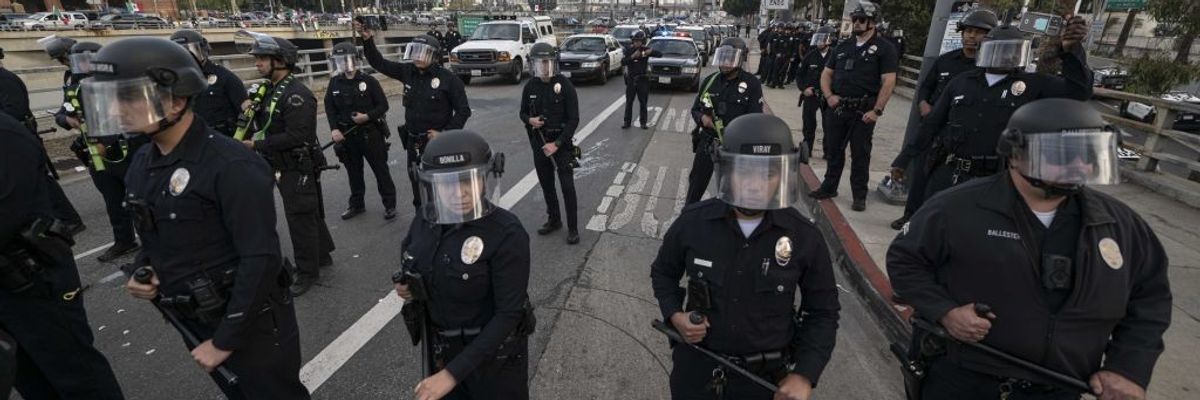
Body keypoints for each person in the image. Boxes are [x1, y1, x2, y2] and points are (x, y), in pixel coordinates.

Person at [887, 98, 1171, 400]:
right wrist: (945, 312)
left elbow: (1150, 300)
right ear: (1015, 153)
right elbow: (905, 262)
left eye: (1088, 154)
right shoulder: (955, 208)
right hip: (967, 381)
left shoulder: (1120, 225)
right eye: (1063, 154)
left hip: (1061, 387)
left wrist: (1127, 368)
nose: (1079, 165)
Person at [101, 37, 311, 399]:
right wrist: (144, 268)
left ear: (176, 99)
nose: (119, 110)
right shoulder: (143, 162)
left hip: (249, 323)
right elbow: (155, 231)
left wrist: (225, 340)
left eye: (129, 97)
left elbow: (261, 259)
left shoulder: (232, 165)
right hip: (196, 316)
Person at [651, 114, 840, 400]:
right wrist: (675, 315)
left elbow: (823, 311)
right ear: (727, 170)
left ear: (783, 174)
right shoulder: (693, 222)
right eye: (744, 171)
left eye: (767, 173)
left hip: (764, 381)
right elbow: (663, 272)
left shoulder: (803, 236)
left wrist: (804, 374)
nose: (754, 184)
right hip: (698, 370)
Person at [890, 15, 1093, 221]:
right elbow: (931, 125)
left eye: (1009, 50)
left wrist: (1071, 50)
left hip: (996, 180)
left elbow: (1079, 92)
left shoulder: (1033, 85)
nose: (1002, 56)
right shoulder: (961, 82)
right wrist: (904, 159)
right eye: (996, 49)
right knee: (932, 229)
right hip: (948, 173)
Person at [393, 129, 536, 400]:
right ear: (431, 185)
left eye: (469, 181)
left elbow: (508, 314)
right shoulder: (424, 221)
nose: (460, 193)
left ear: (484, 179)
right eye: (447, 184)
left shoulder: (506, 232)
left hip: (496, 362)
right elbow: (412, 259)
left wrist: (451, 376)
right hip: (442, 352)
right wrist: (408, 287)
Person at [1, 106, 123, 400]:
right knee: (29, 378)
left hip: (35, 278)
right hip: (7, 284)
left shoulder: (5, 135)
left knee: (76, 375)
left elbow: (6, 215)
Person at [237, 30, 335, 296]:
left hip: (296, 164)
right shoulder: (269, 90)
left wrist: (255, 145)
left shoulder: (296, 94)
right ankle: (322, 254)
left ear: (279, 61)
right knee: (308, 211)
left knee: (299, 216)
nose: (257, 63)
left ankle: (307, 273)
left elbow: (298, 135)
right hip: (280, 163)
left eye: (261, 59)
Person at [887, 9, 997, 230]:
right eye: (968, 31)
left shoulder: (988, 68)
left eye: (977, 32)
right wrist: (924, 104)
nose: (971, 36)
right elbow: (926, 86)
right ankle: (910, 217)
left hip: (959, 138)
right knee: (920, 178)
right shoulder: (946, 61)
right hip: (932, 130)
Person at [357, 22, 471, 212]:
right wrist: (368, 41)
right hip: (414, 141)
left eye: (423, 52)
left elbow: (463, 111)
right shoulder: (408, 72)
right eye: (415, 51)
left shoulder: (449, 79)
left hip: (438, 142)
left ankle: (445, 217)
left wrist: (444, 133)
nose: (418, 56)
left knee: (440, 183)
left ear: (434, 55)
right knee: (415, 178)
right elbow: (379, 63)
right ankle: (421, 215)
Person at [809, 1, 898, 212]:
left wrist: (877, 110)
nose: (856, 23)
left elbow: (889, 81)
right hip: (838, 107)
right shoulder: (843, 46)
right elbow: (826, 74)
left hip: (863, 111)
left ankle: (859, 195)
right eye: (854, 19)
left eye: (861, 20)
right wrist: (829, 96)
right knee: (833, 150)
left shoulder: (885, 49)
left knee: (860, 154)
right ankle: (829, 186)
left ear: (872, 22)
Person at [62, 41, 146, 263]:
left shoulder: (117, 82)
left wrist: (106, 142)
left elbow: (128, 116)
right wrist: (67, 120)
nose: (83, 65)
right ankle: (124, 240)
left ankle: (154, 241)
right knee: (113, 200)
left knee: (139, 198)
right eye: (78, 61)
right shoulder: (75, 85)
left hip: (124, 151)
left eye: (87, 59)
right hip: (96, 154)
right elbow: (62, 113)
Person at [686, 38, 764, 205]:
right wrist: (703, 118)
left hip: (734, 147)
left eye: (730, 58)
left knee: (732, 192)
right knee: (695, 185)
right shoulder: (710, 81)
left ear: (740, 58)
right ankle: (687, 218)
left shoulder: (752, 84)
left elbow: (755, 119)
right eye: (723, 57)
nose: (725, 62)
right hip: (708, 143)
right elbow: (695, 109)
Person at [324, 41, 397, 221]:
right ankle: (357, 204)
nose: (343, 64)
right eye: (339, 60)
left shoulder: (368, 81)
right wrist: (334, 129)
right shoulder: (334, 82)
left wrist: (367, 116)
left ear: (355, 60)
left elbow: (383, 105)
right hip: (347, 136)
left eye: (346, 60)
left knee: (381, 171)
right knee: (354, 173)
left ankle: (389, 205)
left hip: (370, 134)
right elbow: (330, 108)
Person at [520, 43, 581, 245]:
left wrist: (558, 143)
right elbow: (522, 112)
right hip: (539, 143)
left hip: (560, 144)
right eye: (539, 63)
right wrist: (530, 120)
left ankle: (573, 228)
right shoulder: (530, 86)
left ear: (553, 63)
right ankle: (554, 220)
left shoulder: (565, 85)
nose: (544, 67)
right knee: (547, 186)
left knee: (567, 187)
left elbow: (574, 119)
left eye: (547, 62)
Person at [36, 35, 85, 236]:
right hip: (88, 136)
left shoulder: (93, 74)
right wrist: (64, 119)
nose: (63, 63)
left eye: (63, 58)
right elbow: (66, 107)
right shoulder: (70, 77)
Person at [171, 30, 246, 137]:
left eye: (192, 51)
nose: (187, 57)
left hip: (223, 138)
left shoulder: (224, 77)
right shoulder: (173, 82)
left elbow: (246, 111)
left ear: (204, 50)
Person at [796, 26, 835, 159]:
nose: (819, 42)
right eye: (817, 39)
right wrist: (804, 89)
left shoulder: (835, 56)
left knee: (829, 125)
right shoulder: (810, 55)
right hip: (811, 95)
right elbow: (799, 75)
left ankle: (828, 151)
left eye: (822, 40)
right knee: (808, 124)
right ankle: (807, 150)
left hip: (827, 97)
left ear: (829, 40)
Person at [621, 30, 661, 129]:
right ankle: (627, 122)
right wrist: (632, 57)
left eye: (639, 41)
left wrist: (651, 51)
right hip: (631, 79)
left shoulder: (645, 50)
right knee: (629, 102)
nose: (636, 43)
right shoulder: (629, 50)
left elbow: (659, 54)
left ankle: (643, 123)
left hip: (642, 79)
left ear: (642, 41)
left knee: (643, 102)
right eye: (635, 41)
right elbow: (623, 62)